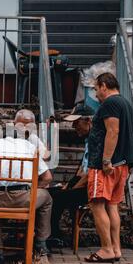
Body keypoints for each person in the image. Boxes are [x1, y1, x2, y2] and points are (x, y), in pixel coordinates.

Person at [0, 113, 53, 264]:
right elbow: (48, 177)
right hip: (22, 200)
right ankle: (41, 244)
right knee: (47, 198)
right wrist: (31, 189)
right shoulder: (30, 147)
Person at [85, 73, 133, 263]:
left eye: (96, 88)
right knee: (112, 206)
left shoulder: (110, 103)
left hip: (105, 166)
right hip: (122, 164)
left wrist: (106, 160)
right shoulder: (125, 103)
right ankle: (116, 249)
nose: (96, 93)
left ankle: (106, 249)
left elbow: (113, 131)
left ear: (104, 86)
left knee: (97, 204)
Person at [47, 104, 95, 248]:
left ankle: (54, 236)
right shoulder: (88, 141)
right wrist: (68, 186)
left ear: (88, 121)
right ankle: (51, 233)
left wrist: (69, 190)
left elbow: (89, 174)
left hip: (93, 188)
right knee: (50, 193)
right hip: (83, 184)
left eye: (77, 122)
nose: (74, 126)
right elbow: (81, 171)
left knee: (58, 197)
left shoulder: (95, 141)